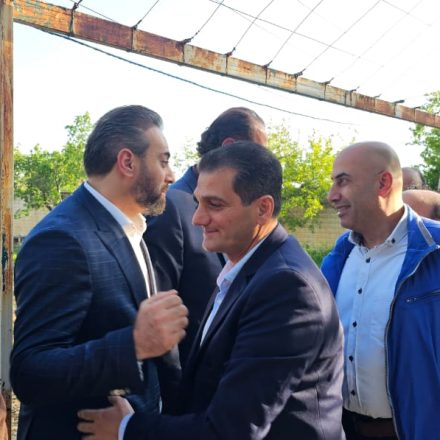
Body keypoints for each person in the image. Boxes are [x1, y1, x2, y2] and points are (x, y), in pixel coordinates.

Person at [78, 141, 345, 440]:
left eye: (215, 205)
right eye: (198, 203)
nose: (198, 219)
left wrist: (126, 428)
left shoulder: (287, 288)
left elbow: (230, 430)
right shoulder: (247, 268)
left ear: (263, 208)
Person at [10, 105, 188, 440]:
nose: (172, 175)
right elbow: (30, 372)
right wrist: (133, 344)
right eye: (163, 161)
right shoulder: (62, 239)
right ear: (127, 162)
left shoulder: (132, 226)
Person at [322, 141, 440, 440]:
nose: (332, 195)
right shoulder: (339, 256)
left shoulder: (435, 250)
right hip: (342, 429)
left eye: (343, 181)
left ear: (383, 183)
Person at [145, 107, 267, 366]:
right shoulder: (171, 208)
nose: (262, 164)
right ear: (230, 147)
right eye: (257, 153)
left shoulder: (239, 206)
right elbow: (160, 314)